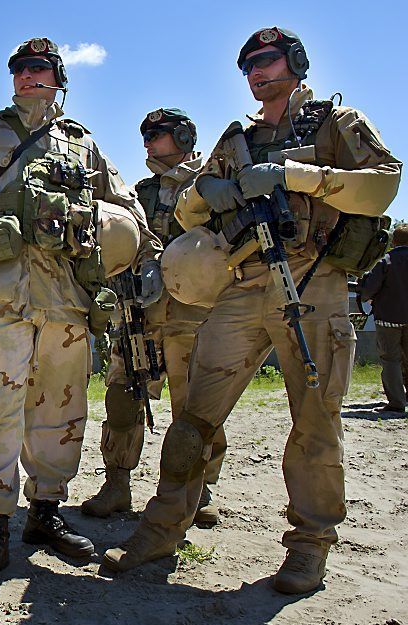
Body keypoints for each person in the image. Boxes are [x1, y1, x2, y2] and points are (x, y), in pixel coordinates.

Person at [102, 27, 401, 596]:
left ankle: (310, 547)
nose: (256, 73)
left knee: (314, 424)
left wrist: (297, 176)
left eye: (266, 61)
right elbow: (194, 208)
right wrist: (203, 197)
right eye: (247, 67)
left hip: (314, 283)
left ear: (294, 61)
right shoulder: (237, 139)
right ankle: (164, 527)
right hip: (242, 285)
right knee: (193, 417)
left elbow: (382, 188)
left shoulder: (336, 125)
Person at [0, 37, 163, 587]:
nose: (27, 77)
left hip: (68, 300)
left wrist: (145, 255)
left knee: (61, 410)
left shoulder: (83, 145)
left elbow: (125, 206)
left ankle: (45, 513)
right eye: (18, 69)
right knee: (0, 412)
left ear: (58, 76)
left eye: (39, 68)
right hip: (2, 298)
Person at [81, 109, 227, 527]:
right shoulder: (136, 192)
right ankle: (117, 484)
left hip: (189, 317)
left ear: (182, 136)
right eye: (144, 134)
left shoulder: (208, 188)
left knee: (195, 407)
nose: (147, 141)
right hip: (137, 316)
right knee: (122, 399)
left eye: (157, 134)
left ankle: (197, 491)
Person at [358, 224, 408, 414]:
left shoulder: (386, 261)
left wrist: (366, 295)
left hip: (389, 319)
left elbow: (369, 289)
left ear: (394, 241)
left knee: (390, 360)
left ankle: (396, 403)